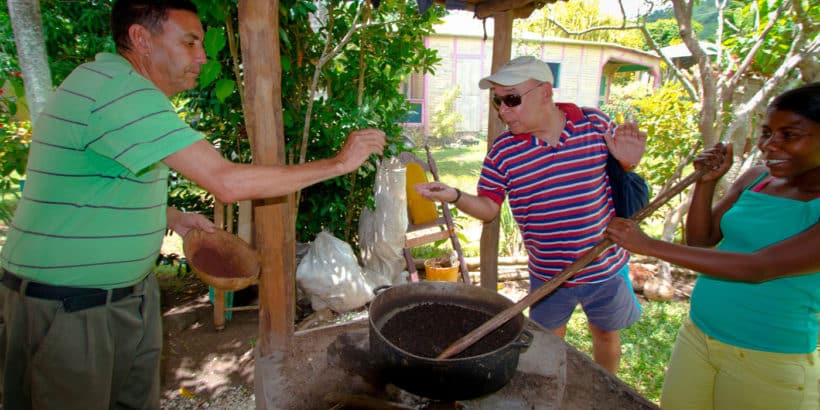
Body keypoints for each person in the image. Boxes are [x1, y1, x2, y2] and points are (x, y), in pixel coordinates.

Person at [0, 1, 385, 409]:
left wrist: (172, 217)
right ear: (140, 39)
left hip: (120, 298)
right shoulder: (117, 90)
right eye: (189, 42)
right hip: (69, 306)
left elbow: (93, 186)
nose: (202, 56)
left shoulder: (121, 87)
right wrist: (339, 163)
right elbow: (226, 182)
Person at [415, 55, 647, 374]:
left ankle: (606, 390)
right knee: (548, 344)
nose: (502, 110)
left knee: (606, 336)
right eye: (498, 101)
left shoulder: (594, 124)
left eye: (512, 99)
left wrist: (628, 164)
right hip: (548, 275)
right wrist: (455, 196)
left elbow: (624, 180)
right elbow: (488, 209)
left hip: (604, 265)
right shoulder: (503, 153)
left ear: (545, 93)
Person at [605, 82, 820, 410]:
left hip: (767, 358)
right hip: (699, 335)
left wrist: (648, 245)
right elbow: (701, 241)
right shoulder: (757, 179)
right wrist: (706, 184)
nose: (769, 145)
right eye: (767, 132)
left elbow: (757, 267)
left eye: (789, 135)